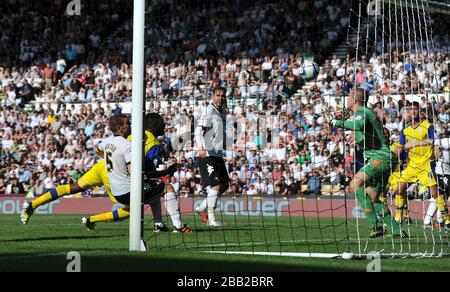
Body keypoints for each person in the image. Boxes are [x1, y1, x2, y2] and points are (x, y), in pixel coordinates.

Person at [21, 114, 192, 233]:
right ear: (155, 126)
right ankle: (93, 220)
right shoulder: (151, 142)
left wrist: (108, 157)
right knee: (135, 207)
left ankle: (33, 204)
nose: (164, 126)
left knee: (72, 188)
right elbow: (139, 169)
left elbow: (98, 148)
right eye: (162, 124)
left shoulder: (122, 137)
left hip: (104, 166)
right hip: (120, 172)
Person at [324, 88, 406, 238]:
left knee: (354, 185)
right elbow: (360, 128)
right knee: (373, 197)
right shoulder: (363, 113)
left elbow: (358, 124)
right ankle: (396, 229)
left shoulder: (363, 113)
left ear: (354, 99)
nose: (347, 99)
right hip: (383, 159)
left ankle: (376, 225)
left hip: (379, 158)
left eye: (348, 96)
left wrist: (334, 121)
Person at [394, 102, 450, 229]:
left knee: (435, 193)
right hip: (412, 165)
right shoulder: (405, 129)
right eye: (410, 110)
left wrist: (414, 144)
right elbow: (400, 148)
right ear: (407, 112)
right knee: (398, 189)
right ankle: (398, 218)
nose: (413, 112)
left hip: (427, 165)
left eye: (415, 109)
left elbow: (433, 141)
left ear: (419, 111)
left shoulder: (428, 126)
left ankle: (447, 219)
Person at [194, 87, 230, 227]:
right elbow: (198, 130)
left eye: (222, 95)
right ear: (212, 96)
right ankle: (212, 220)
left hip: (217, 153)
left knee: (225, 184)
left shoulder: (222, 112)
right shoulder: (208, 111)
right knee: (216, 184)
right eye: (217, 95)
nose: (220, 98)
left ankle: (200, 208)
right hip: (207, 153)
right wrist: (200, 148)